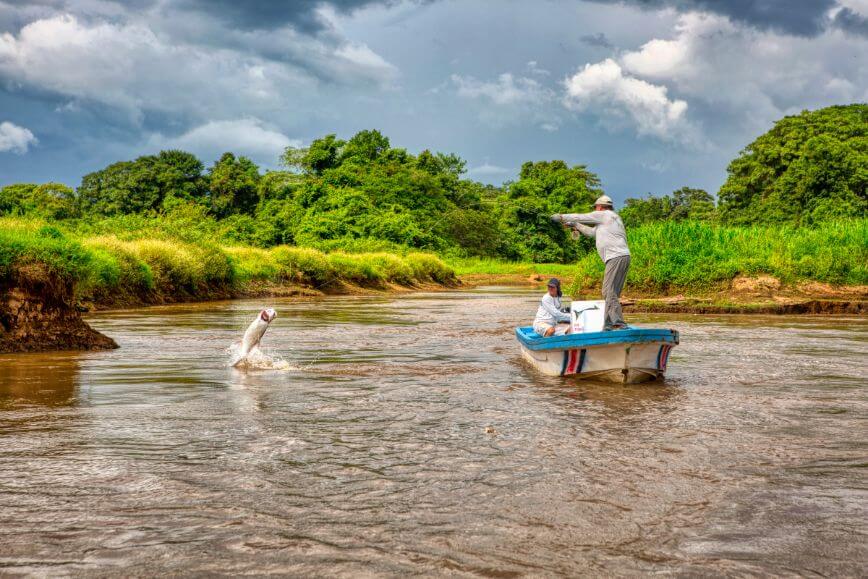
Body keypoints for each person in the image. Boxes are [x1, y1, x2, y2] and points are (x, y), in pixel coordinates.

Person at [552, 195, 630, 331]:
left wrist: (561, 217)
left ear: (599, 207)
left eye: (595, 208)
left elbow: (580, 216)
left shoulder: (603, 215)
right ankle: (608, 325)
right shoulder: (613, 218)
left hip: (615, 257)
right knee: (612, 293)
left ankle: (619, 323)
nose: (595, 210)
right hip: (623, 256)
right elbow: (591, 233)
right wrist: (575, 225)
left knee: (607, 291)